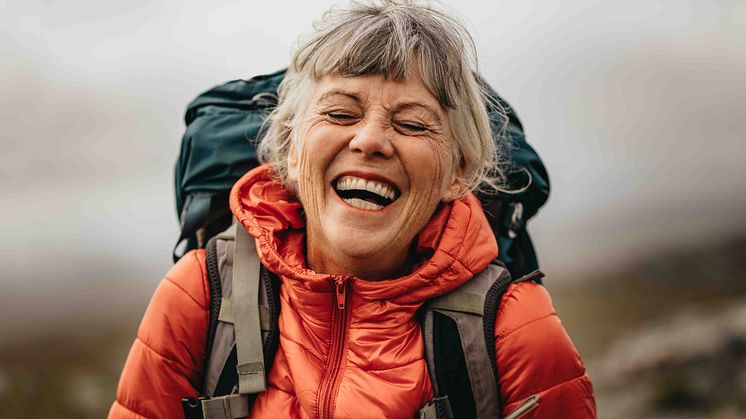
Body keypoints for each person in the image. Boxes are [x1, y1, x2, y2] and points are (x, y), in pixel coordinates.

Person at [109, 1, 596, 418]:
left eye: (411, 124)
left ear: (458, 173)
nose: (369, 141)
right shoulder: (199, 295)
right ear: (291, 151)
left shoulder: (515, 329)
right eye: (340, 114)